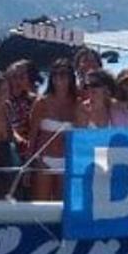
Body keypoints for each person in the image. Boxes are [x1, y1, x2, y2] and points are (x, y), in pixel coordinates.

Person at [27, 58, 79, 201]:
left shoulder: (77, 103)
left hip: (66, 161)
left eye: (63, 74)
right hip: (44, 160)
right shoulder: (41, 103)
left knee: (62, 206)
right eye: (55, 74)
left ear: (70, 77)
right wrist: (30, 164)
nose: (58, 78)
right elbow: (32, 137)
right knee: (41, 205)